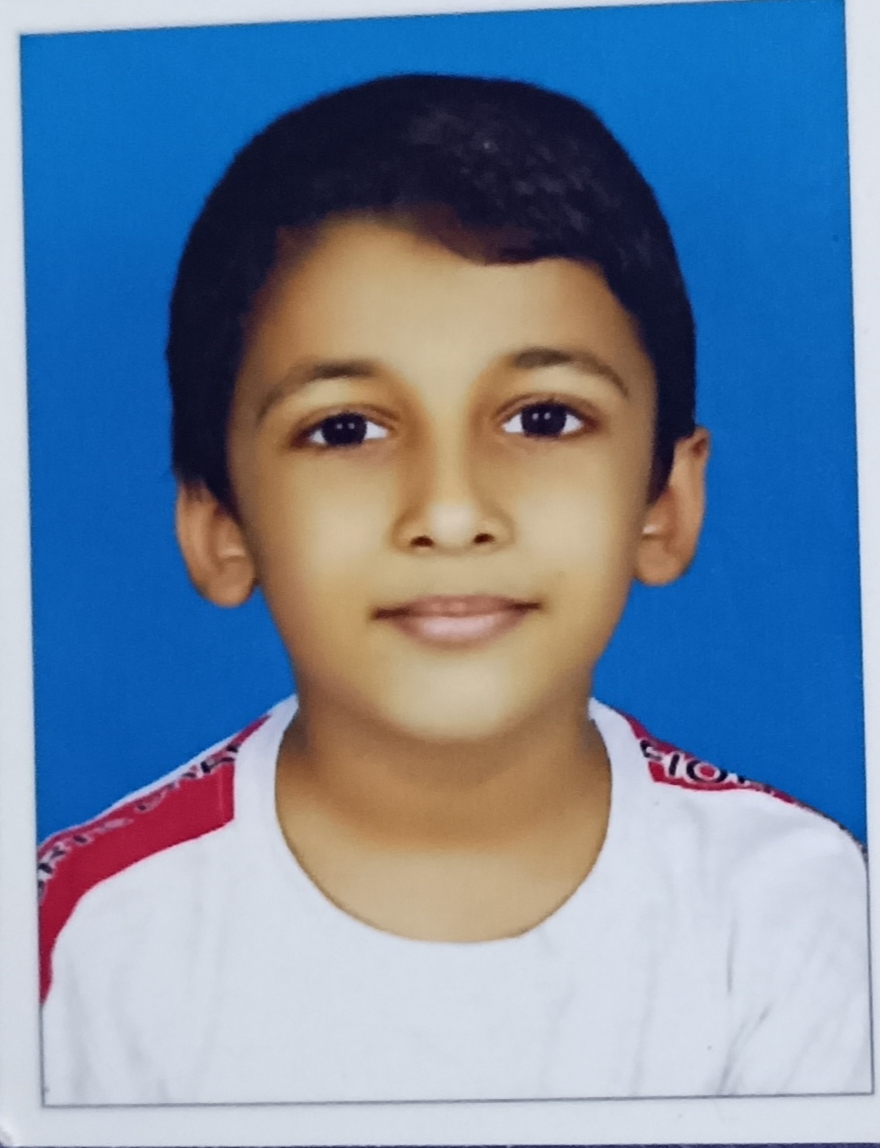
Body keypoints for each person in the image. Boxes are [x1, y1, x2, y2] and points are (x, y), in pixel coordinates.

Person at [37, 74, 870, 1104]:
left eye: (543, 418)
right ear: (220, 525)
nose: (449, 510)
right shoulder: (79, 942)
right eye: (346, 428)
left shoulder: (790, 909)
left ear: (665, 500)